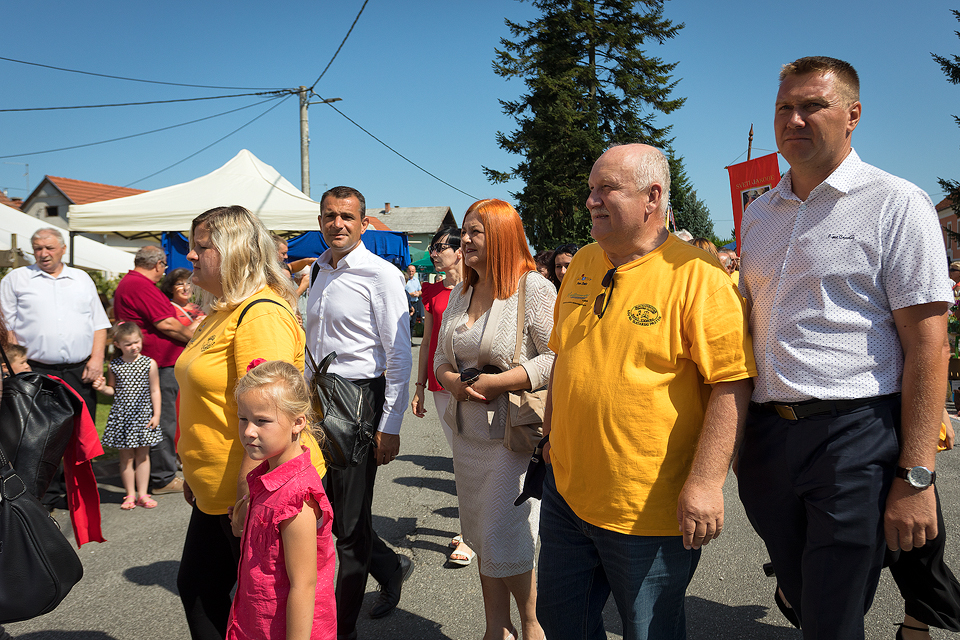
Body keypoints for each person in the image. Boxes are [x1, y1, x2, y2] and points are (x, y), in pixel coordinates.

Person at [736, 56, 954, 639]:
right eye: (785, 107)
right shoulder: (758, 215)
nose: (795, 119)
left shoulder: (896, 202)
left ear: (853, 115)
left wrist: (916, 477)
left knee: (832, 618)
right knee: (806, 600)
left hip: (854, 436)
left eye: (813, 106)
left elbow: (929, 344)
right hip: (767, 441)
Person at [537, 144, 756, 640]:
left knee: (650, 632)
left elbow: (731, 384)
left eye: (606, 189)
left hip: (648, 511)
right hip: (567, 494)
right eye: (591, 189)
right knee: (560, 622)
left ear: (652, 197)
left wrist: (705, 484)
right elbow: (566, 359)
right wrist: (549, 440)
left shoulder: (698, 279)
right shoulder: (584, 263)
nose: (591, 200)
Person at [175, 205, 325, 640]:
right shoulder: (225, 309)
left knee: (267, 608)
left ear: (233, 251)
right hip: (221, 490)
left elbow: (271, 420)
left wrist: (247, 498)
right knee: (202, 589)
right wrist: (194, 471)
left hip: (253, 491)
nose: (190, 256)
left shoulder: (259, 315)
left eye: (201, 247)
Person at [434, 199, 556, 640]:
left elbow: (560, 357)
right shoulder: (462, 291)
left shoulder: (533, 289)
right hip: (467, 437)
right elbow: (439, 359)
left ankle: (533, 626)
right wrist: (449, 380)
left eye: (473, 233)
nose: (462, 240)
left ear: (502, 235)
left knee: (507, 533)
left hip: (511, 439)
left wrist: (504, 380)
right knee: (480, 534)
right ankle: (494, 629)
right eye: (463, 232)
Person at [304, 186, 413, 638]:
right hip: (315, 406)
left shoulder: (380, 275)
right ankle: (388, 569)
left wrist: (390, 426)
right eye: (330, 216)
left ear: (364, 223)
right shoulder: (317, 271)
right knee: (332, 508)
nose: (338, 224)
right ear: (321, 221)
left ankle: (341, 627)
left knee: (346, 528)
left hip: (358, 405)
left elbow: (399, 356)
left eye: (348, 216)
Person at [0, 227, 110, 509]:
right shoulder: (17, 279)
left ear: (62, 249)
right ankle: (41, 496)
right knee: (38, 435)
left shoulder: (81, 279)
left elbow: (99, 323)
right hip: (34, 370)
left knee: (79, 433)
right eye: (37, 248)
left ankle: (75, 493)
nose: (43, 253)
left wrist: (97, 360)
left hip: (79, 369)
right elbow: (7, 328)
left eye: (49, 248)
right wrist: (15, 366)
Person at [226, 360, 336, 640]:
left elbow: (303, 585)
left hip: (284, 629)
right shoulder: (267, 472)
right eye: (243, 418)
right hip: (255, 620)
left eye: (262, 421)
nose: (249, 431)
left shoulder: (297, 499)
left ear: (298, 422)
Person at [410, 225, 475, 566]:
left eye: (439, 248)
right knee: (458, 458)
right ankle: (471, 528)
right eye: (433, 248)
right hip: (438, 385)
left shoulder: (477, 288)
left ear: (459, 251)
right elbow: (426, 345)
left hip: (471, 385)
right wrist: (419, 387)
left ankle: (471, 533)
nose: (433, 254)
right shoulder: (432, 291)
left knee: (470, 457)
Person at [114, 245, 199, 496]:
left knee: (159, 418)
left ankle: (156, 471)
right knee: (163, 419)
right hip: (158, 363)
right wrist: (192, 338)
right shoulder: (140, 285)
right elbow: (167, 323)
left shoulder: (132, 283)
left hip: (153, 361)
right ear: (158, 265)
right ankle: (162, 476)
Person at [94, 323, 162, 510]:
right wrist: (102, 388)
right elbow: (113, 390)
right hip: (122, 418)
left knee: (143, 456)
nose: (134, 347)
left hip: (143, 416)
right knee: (126, 458)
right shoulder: (115, 365)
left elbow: (155, 390)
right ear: (117, 344)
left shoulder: (149, 363)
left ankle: (143, 494)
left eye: (137, 342)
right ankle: (130, 494)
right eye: (128, 344)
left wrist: (156, 414)